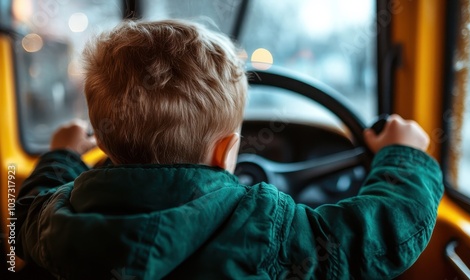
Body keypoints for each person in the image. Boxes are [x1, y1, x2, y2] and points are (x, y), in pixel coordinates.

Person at [15, 19, 443, 279]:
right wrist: (404, 155)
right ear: (226, 153)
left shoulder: (60, 216)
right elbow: (380, 233)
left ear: (104, 142)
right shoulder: (265, 227)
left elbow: (28, 206)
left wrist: (62, 155)